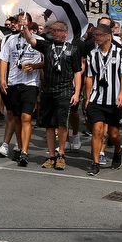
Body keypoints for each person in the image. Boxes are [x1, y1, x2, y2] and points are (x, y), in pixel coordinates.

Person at [21, 20, 82, 170]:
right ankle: (51, 155)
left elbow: (77, 72)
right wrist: (26, 27)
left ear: (65, 33)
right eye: (53, 30)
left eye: (58, 30)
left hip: (65, 90)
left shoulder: (73, 49)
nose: (54, 33)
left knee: (62, 123)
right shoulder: (47, 46)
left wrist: (77, 92)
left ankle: (61, 153)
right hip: (48, 90)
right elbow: (30, 40)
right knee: (48, 124)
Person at [83, 24, 122, 176]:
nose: (96, 38)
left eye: (99, 35)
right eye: (95, 35)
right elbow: (89, 76)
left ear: (108, 36)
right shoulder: (92, 54)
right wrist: (88, 96)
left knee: (114, 134)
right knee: (97, 130)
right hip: (97, 97)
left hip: (114, 99)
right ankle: (95, 162)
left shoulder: (120, 54)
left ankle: (118, 150)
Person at [0, 13, 43, 167]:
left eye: (24, 22)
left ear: (30, 24)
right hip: (13, 82)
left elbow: (47, 60)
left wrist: (35, 66)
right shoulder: (10, 39)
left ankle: (24, 151)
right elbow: (4, 59)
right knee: (16, 117)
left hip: (30, 84)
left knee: (26, 117)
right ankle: (19, 144)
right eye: (19, 22)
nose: (21, 25)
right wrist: (2, 79)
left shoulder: (39, 41)